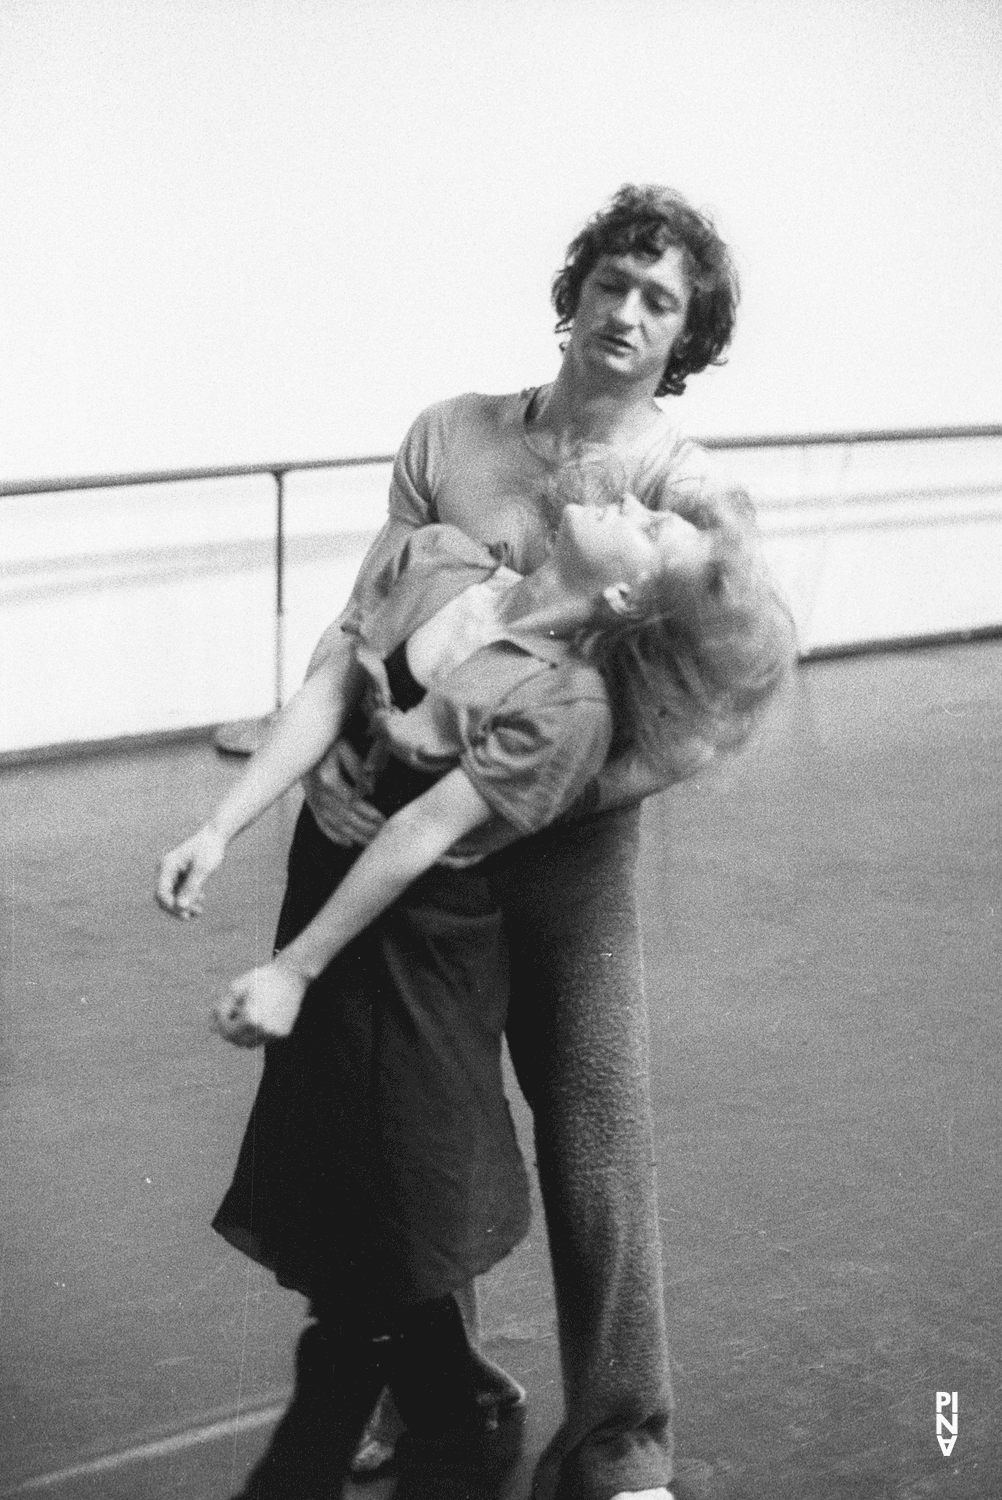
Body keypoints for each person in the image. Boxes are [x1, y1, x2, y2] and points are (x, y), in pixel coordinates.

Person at [157, 472, 792, 1500]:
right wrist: (219, 827)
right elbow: (328, 690)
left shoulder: (564, 707)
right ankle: (462, 1419)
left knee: (381, 1238)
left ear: (627, 600)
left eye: (650, 528)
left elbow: (417, 833)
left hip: (416, 972)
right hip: (328, 922)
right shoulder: (438, 561)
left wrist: (293, 970)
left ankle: (350, 1460)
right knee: (354, 1238)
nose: (629, 504)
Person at [298, 183, 788, 1500]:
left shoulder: (677, 492)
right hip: (416, 834)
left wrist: (570, 785)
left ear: (685, 337)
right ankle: (442, 1383)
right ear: (573, 289)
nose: (625, 313)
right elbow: (371, 614)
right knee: (407, 1127)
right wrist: (339, 756)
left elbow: (727, 686)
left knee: (594, 1135)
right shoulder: (449, 435)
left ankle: (626, 1439)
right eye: (612, 282)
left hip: (569, 851)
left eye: (659, 301)